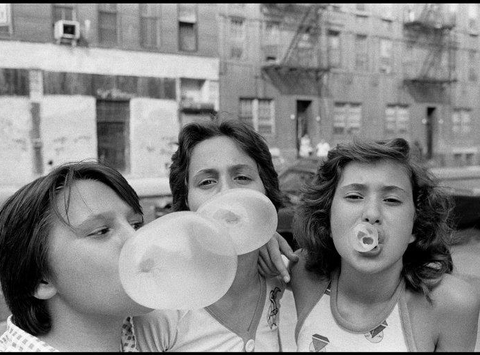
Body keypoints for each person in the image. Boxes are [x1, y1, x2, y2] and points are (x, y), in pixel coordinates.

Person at [290, 137, 480, 352]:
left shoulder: (453, 303)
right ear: (327, 219)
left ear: (416, 227)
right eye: (354, 196)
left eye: (391, 200)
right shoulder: (301, 273)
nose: (372, 214)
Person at [133, 118, 297, 352]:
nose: (227, 193)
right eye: (207, 182)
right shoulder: (161, 308)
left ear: (266, 190)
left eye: (242, 177)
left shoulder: (293, 283)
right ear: (187, 201)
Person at [0, 161, 153, 351]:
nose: (138, 239)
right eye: (102, 231)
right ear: (41, 279)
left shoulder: (165, 332)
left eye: (136, 224)